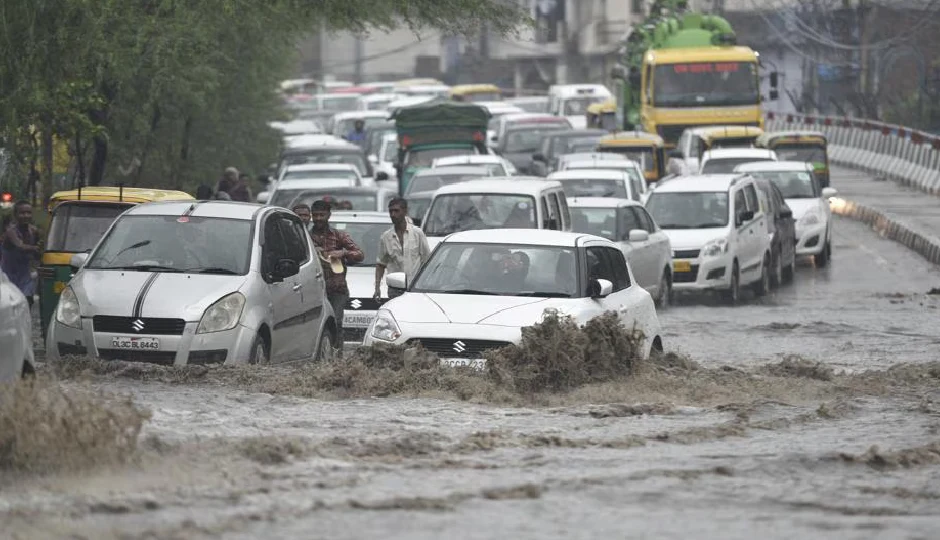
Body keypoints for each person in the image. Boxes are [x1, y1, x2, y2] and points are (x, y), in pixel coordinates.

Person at [308, 199, 364, 352]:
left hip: (337, 289)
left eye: (322, 215)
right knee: (314, 325)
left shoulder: (339, 236)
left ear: (329, 215)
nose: (318, 218)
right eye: (315, 215)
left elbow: (359, 254)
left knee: (336, 322)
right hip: (314, 289)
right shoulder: (306, 237)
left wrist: (343, 253)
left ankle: (337, 357)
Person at [374, 198, 431, 300]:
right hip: (395, 289)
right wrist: (377, 288)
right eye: (391, 211)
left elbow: (427, 261)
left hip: (415, 288)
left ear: (405, 211)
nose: (393, 214)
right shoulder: (386, 237)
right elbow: (381, 264)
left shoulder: (417, 233)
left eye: (396, 211)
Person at [1, 201, 41, 307]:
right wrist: (35, 248)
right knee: (10, 305)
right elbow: (20, 246)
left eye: (29, 213)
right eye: (22, 213)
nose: (26, 216)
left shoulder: (34, 231)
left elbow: (37, 253)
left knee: (27, 301)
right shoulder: (11, 232)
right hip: (8, 277)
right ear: (15, 215)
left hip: (25, 276)